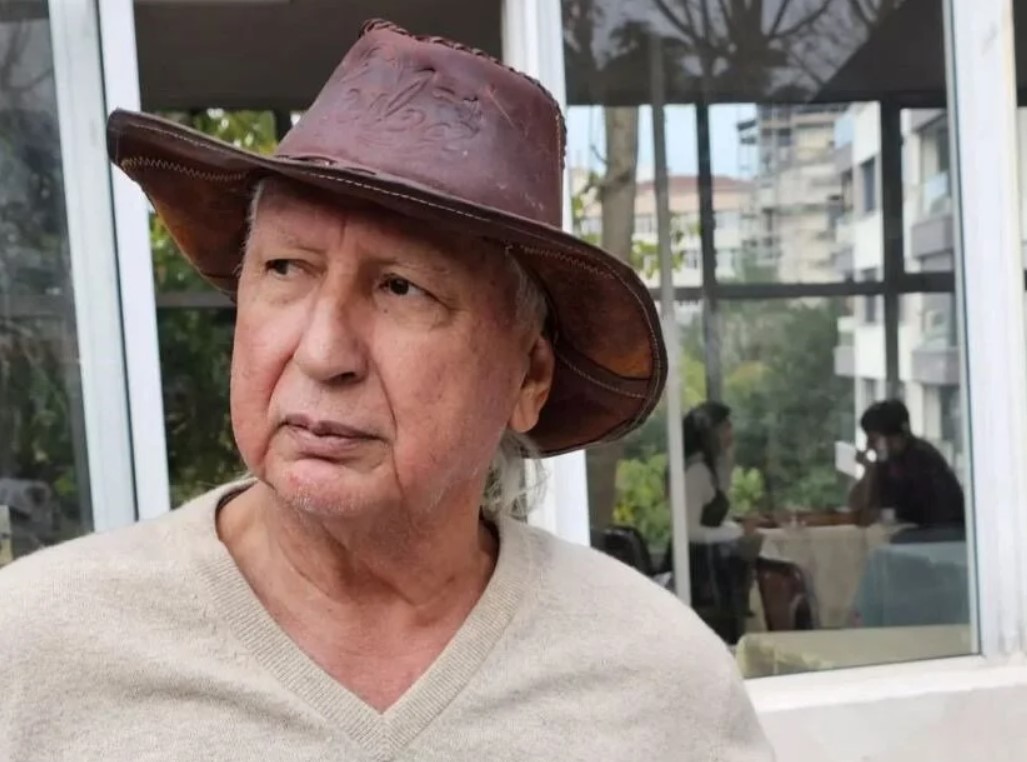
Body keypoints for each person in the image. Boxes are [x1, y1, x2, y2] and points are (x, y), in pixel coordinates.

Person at [0, 20, 771, 761]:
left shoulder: (657, 681)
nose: (322, 352)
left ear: (528, 378)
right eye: (284, 269)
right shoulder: (39, 650)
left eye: (402, 288)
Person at [849, 399, 965, 539]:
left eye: (873, 440)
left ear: (892, 438)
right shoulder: (886, 461)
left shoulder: (921, 459)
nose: (869, 446)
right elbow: (859, 509)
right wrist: (869, 471)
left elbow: (912, 512)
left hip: (941, 536)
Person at [682, 401, 744, 544]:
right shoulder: (696, 473)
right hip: (694, 557)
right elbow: (689, 532)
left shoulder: (712, 470)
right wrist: (738, 532)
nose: (731, 434)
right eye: (726, 427)